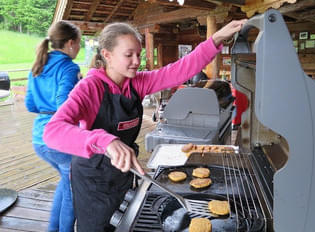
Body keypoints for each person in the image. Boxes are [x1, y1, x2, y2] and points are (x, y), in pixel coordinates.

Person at [43, 19, 247, 232]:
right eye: (128, 55)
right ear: (107, 55)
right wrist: (104, 140)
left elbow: (180, 70)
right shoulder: (89, 88)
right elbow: (53, 131)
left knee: (122, 224)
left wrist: (215, 39)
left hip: (123, 173)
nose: (136, 61)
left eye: (138, 54)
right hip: (93, 179)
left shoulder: (136, 83)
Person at [25, 20, 81, 232]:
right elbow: (63, 104)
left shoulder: (38, 66)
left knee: (65, 182)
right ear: (69, 43)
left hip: (39, 139)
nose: (78, 47)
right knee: (73, 192)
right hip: (59, 141)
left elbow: (31, 104)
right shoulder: (68, 67)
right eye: (78, 43)